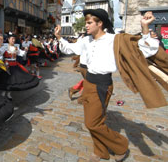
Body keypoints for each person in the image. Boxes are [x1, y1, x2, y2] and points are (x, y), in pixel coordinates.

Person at [54, 9, 160, 162]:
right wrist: (58, 37)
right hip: (88, 83)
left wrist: (144, 27)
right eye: (86, 23)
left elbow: (145, 49)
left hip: (102, 85)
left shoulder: (115, 39)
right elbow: (70, 49)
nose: (86, 26)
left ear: (100, 23)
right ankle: (100, 151)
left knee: (92, 123)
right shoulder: (85, 40)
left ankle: (121, 146)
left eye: (89, 23)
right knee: (95, 121)